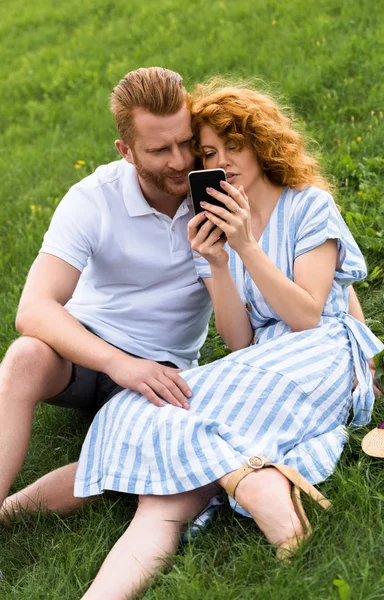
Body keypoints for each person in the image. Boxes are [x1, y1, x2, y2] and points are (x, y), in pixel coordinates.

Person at [70, 79, 384, 600]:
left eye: (235, 145)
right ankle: (251, 479)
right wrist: (218, 260)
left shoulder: (309, 207)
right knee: (140, 432)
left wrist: (247, 245)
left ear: (262, 144)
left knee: (177, 440)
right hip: (263, 363)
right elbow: (239, 341)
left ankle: (250, 479)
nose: (226, 160)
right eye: (211, 152)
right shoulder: (212, 229)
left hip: (322, 354)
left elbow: (308, 318)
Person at [0, 67, 213, 519]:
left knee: (136, 455)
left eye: (185, 141)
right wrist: (118, 362)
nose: (179, 160)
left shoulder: (216, 190)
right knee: (23, 358)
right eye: (159, 150)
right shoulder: (94, 197)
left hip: (162, 366)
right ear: (127, 151)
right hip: (85, 348)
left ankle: (10, 512)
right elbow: (34, 308)